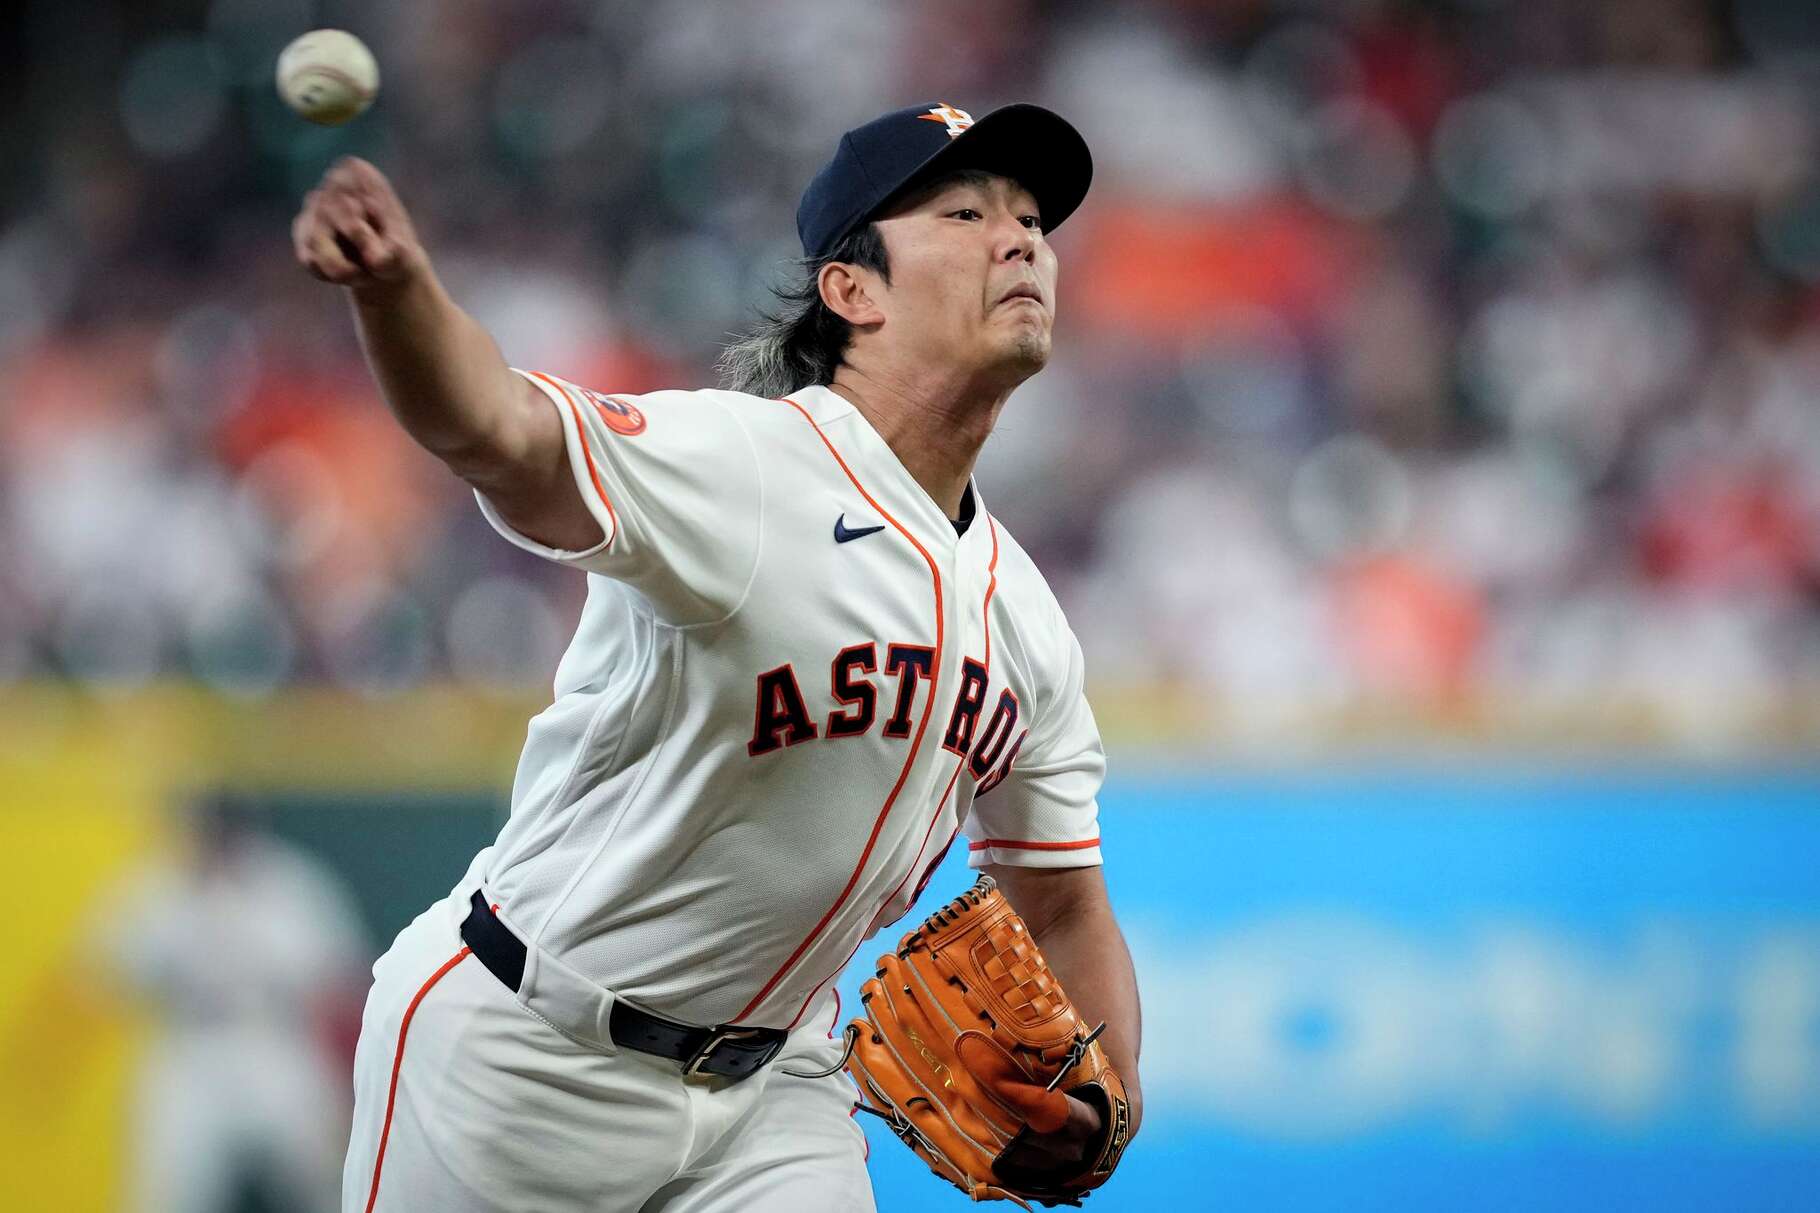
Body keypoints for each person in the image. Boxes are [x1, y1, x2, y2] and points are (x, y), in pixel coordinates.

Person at [295, 100, 1143, 1212]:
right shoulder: (743, 467)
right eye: (965, 211)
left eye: (1032, 218)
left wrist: (1107, 1104)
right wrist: (396, 291)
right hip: (522, 1055)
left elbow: (1063, 898)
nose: (1021, 238)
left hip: (775, 1093)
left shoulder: (1026, 618)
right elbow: (494, 430)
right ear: (854, 292)